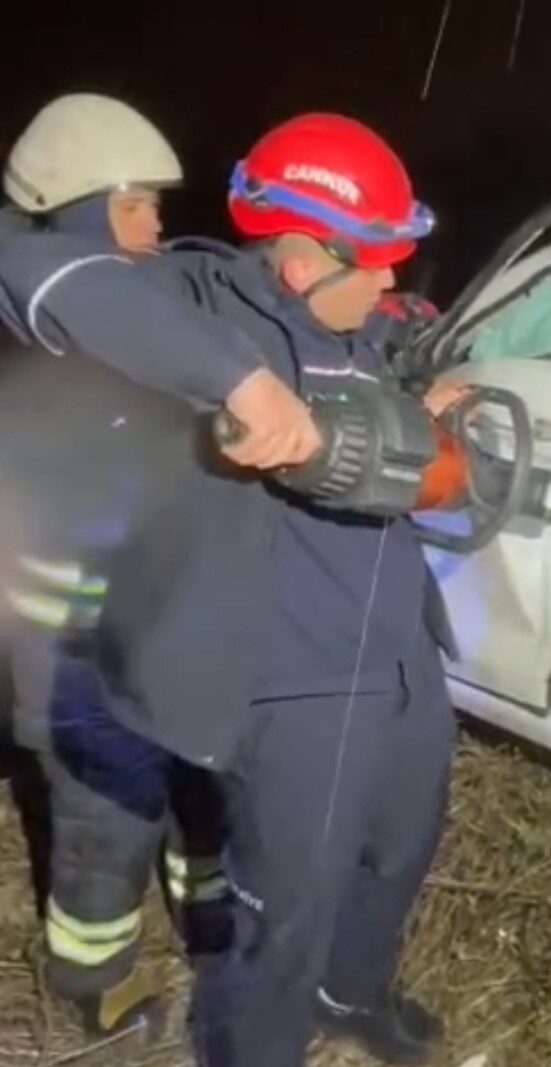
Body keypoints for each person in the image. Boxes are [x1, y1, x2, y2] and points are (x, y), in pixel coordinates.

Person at [1, 106, 461, 1067]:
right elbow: (28, 266)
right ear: (299, 259)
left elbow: (375, 415)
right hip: (301, 678)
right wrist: (236, 381)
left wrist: (420, 417)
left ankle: (352, 993)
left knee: (396, 852)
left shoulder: (362, 324)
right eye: (373, 258)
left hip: (403, 652)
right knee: (286, 908)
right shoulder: (201, 297)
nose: (390, 281)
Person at [0, 94, 322, 1038]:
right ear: (87, 203)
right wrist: (242, 381)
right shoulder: (35, 274)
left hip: (151, 620)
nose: (157, 224)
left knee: (198, 773)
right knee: (112, 806)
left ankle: (206, 915)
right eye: (139, 204)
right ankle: (88, 971)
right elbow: (92, 293)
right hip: (72, 640)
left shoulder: (138, 288)